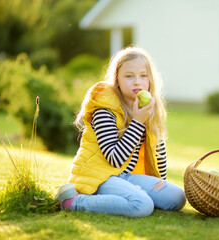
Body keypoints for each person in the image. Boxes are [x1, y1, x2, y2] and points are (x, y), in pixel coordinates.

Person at [55, 46, 186, 217]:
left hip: (128, 177)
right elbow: (115, 159)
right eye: (129, 76)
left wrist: (159, 183)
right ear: (117, 80)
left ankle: (128, 196)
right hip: (101, 176)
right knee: (142, 205)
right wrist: (138, 122)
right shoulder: (104, 110)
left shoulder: (149, 108)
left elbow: (158, 152)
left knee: (177, 197)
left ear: (150, 80)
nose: (137, 82)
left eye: (143, 76)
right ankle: (74, 202)